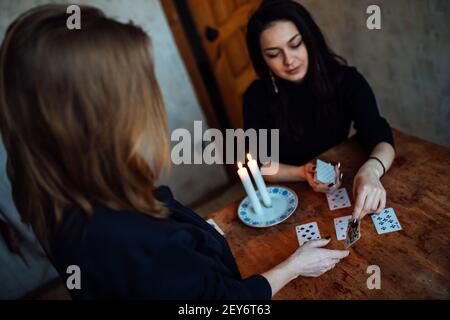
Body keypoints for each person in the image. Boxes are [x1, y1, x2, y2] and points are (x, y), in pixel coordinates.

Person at [0, 5, 349, 299]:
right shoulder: (134, 242)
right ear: (105, 117)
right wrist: (293, 267)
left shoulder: (58, 195)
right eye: (144, 86)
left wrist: (199, 232)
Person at [244, 0, 396, 221]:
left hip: (344, 183)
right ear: (262, 59)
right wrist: (301, 173)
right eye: (274, 54)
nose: (289, 60)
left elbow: (381, 137)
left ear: (310, 39)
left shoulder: (347, 80)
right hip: (289, 199)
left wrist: (371, 171)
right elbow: (261, 165)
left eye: (295, 44)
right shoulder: (256, 97)